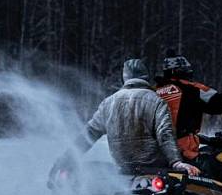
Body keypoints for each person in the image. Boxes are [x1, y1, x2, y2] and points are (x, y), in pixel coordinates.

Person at [51, 58, 200, 181]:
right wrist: (176, 162)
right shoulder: (156, 101)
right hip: (155, 166)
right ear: (146, 77)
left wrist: (66, 160)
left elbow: (88, 135)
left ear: (125, 77)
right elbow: (165, 134)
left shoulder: (108, 103)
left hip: (123, 167)